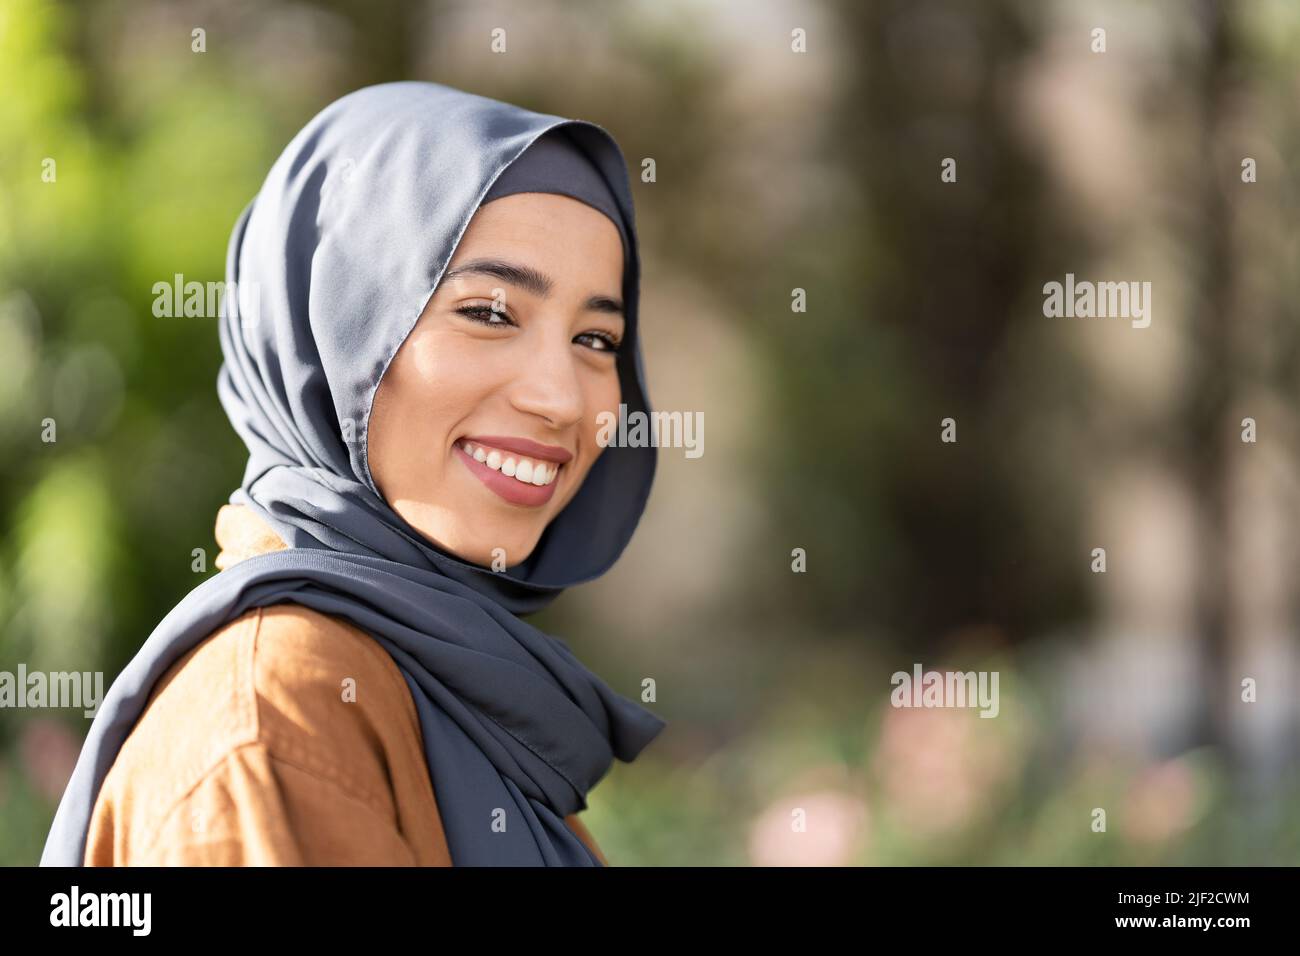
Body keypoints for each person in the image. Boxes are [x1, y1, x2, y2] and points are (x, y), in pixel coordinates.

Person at [40, 81, 666, 866]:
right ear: (328, 331)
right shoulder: (277, 721)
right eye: (488, 313)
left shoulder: (442, 692)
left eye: (597, 340)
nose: (559, 399)